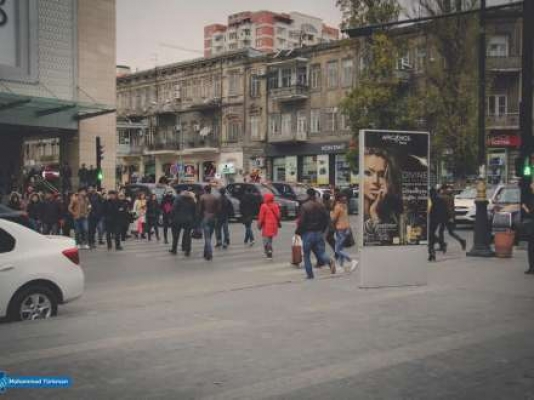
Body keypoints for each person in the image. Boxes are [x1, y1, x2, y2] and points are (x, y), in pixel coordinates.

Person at [362, 148, 403, 245]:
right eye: (368, 173)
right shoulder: (357, 214)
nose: (375, 180)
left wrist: (374, 212)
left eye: (381, 175)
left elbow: (385, 241)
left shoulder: (392, 212)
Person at [296, 188, 336, 279]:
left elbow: (301, 222)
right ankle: (329, 261)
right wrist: (322, 230)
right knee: (321, 252)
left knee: (306, 255)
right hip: (318, 232)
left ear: (307, 195)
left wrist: (298, 232)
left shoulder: (304, 206)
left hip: (307, 233)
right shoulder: (320, 205)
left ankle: (310, 275)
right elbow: (326, 219)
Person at [331, 194, 358, 272]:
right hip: (346, 228)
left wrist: (331, 215)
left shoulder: (338, 207)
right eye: (344, 197)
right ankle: (341, 266)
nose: (345, 198)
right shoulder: (345, 206)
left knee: (337, 250)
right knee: (341, 248)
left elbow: (334, 219)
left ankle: (352, 260)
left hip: (340, 229)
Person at [438, 185, 467, 252]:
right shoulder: (449, 195)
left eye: (441, 189)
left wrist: (451, 217)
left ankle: (442, 246)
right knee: (448, 232)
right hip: (447, 216)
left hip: (446, 216)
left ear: (444, 189)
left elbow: (449, 208)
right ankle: (461, 241)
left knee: (442, 231)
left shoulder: (445, 197)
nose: (441, 191)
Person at [170, 190, 197, 256]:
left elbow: (173, 209)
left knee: (176, 235)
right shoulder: (192, 200)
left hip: (178, 219)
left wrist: (171, 217)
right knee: (188, 236)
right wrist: (194, 220)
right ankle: (187, 251)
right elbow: (195, 211)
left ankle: (174, 249)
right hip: (188, 220)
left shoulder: (178, 199)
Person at [257, 192, 281, 259]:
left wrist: (259, 224)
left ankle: (268, 251)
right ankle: (269, 250)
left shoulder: (263, 206)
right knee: (270, 239)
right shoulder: (275, 205)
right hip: (274, 225)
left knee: (265, 239)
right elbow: (278, 215)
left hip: (267, 225)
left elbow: (261, 217)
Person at [428, 188, 448, 261]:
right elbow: (446, 211)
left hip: (433, 219)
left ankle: (432, 252)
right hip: (440, 220)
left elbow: (429, 210)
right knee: (431, 235)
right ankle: (440, 244)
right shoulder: (441, 200)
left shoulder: (430, 200)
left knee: (430, 235)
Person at [199, 185, 218, 260]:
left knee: (207, 238)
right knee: (209, 236)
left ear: (205, 190)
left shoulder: (202, 197)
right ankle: (205, 252)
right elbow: (218, 209)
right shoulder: (214, 197)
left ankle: (209, 253)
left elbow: (200, 209)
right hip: (213, 218)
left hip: (205, 217)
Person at [522, 181, 534, 274]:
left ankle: (532, 268)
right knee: (530, 247)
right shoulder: (530, 196)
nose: (531, 185)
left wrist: (525, 208)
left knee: (531, 247)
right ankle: (531, 267)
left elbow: (531, 212)